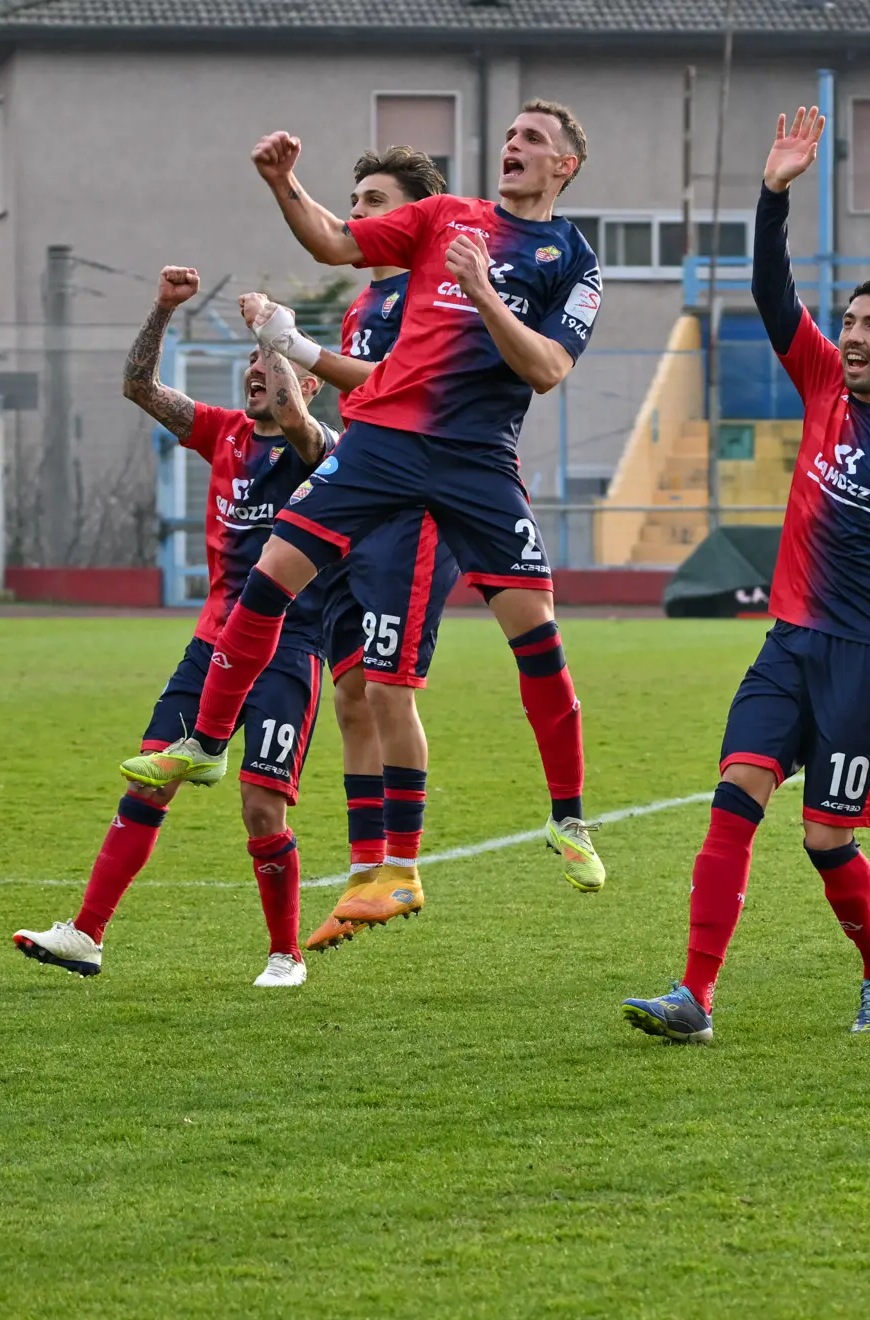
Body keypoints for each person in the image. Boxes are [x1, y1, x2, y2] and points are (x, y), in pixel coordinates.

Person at [119, 102, 609, 914]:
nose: (514, 147)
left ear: (566, 166)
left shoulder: (574, 260)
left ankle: (569, 820)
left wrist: (483, 290)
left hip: (475, 457)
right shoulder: (446, 215)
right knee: (270, 575)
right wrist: (283, 183)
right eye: (511, 136)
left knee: (538, 638)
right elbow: (335, 243)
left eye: (534, 140)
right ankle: (204, 743)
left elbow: (549, 367)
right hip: (381, 441)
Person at [619, 106, 870, 1045]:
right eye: (847, 320)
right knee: (734, 797)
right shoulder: (818, 384)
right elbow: (774, 297)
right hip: (790, 641)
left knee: (824, 839)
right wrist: (772, 196)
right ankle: (695, 997)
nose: (849, 334)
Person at [14, 267, 336, 988]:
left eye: (268, 367)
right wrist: (162, 310)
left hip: (286, 649)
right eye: (251, 367)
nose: (257, 375)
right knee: (148, 782)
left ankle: (285, 956)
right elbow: (139, 388)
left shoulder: (318, 444)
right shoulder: (220, 433)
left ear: (305, 383)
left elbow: (289, 414)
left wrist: (271, 335)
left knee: (261, 806)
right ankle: (85, 935)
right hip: (211, 647)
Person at [249, 146, 463, 950]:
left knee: (389, 687)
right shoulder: (366, 301)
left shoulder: (432, 294)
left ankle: (401, 871)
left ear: (415, 216)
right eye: (357, 199)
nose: (361, 214)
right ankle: (366, 871)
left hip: (414, 511)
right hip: (360, 507)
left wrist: (292, 344)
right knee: (350, 695)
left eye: (376, 201)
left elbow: (386, 386)